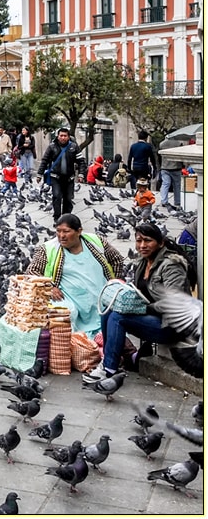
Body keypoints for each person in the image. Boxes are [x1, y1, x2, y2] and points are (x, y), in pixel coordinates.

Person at [84, 222, 198, 384]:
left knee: (118, 317)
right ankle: (110, 360)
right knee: (109, 308)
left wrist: (142, 307)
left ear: (160, 243)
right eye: (139, 241)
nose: (142, 245)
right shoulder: (143, 262)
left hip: (172, 325)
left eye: (147, 241)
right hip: (153, 317)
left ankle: (109, 368)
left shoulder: (171, 265)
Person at [25, 213, 124, 335]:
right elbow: (32, 271)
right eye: (58, 231)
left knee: (110, 324)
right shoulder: (48, 248)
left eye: (66, 231)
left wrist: (113, 284)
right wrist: (49, 287)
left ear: (79, 231)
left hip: (98, 299)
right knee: (68, 315)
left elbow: (117, 259)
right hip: (69, 298)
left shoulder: (96, 242)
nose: (61, 236)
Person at [39, 126, 81, 224]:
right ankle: (57, 218)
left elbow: (81, 161)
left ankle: (66, 218)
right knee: (57, 196)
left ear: (68, 137)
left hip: (69, 178)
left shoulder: (74, 147)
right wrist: (39, 173)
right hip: (55, 177)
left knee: (68, 199)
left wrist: (81, 174)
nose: (63, 138)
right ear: (58, 136)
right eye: (61, 135)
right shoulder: (52, 146)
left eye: (65, 136)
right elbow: (45, 160)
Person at [158, 135, 185, 208]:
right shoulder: (179, 144)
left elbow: (159, 156)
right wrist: (183, 166)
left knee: (165, 184)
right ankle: (177, 202)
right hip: (176, 167)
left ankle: (164, 201)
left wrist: (160, 166)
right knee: (177, 185)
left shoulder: (162, 144)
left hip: (165, 167)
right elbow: (181, 156)